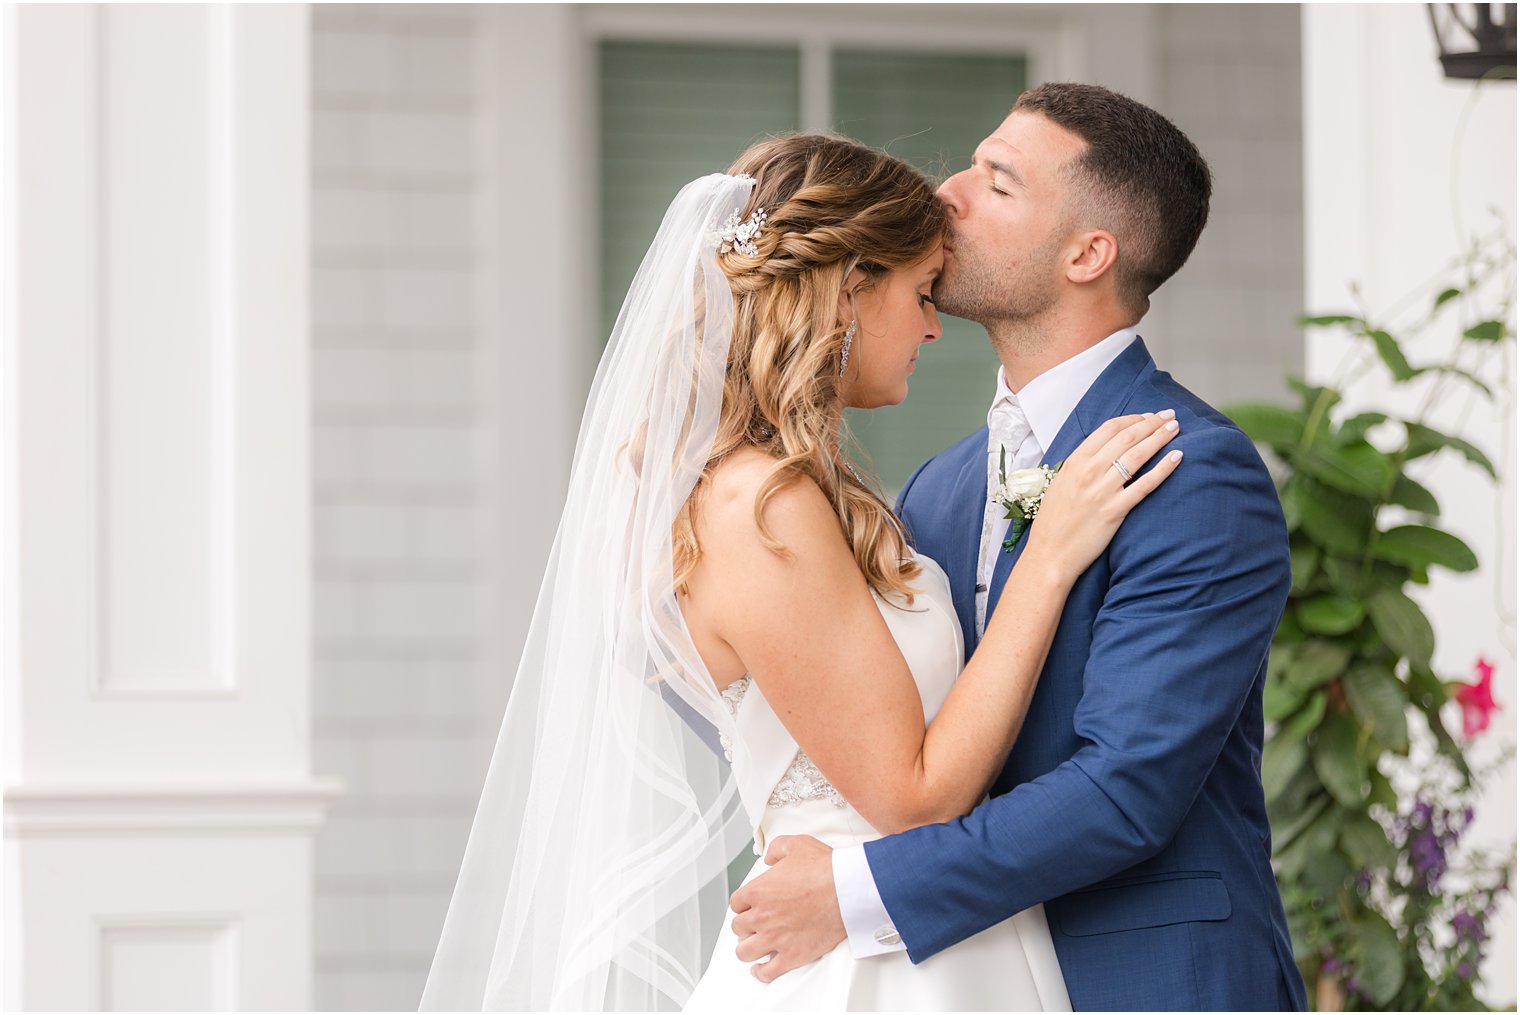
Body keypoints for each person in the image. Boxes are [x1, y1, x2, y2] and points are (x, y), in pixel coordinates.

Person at [419, 131, 1181, 1012]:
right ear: (850, 287)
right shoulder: (755, 505)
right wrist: (1047, 556)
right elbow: (914, 794)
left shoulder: (805, 488)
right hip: (868, 970)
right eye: (922, 292)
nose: (935, 325)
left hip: (937, 937)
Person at [726, 83, 1309, 1012]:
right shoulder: (934, 487)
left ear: (1088, 253)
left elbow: (1125, 789)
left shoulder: (1190, 471)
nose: (947, 192)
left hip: (1145, 983)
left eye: (997, 182)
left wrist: (853, 892)